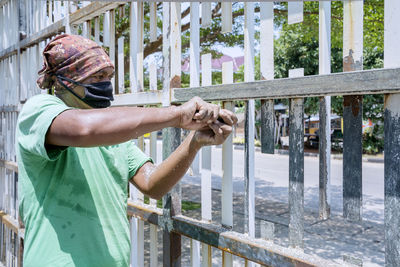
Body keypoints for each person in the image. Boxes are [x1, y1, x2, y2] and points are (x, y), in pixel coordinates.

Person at [16, 34, 237, 267]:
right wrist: (178, 115)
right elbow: (83, 129)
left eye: (108, 77)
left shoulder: (112, 134)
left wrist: (194, 141)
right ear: (66, 80)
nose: (105, 84)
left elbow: (153, 185)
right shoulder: (39, 111)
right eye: (97, 76)